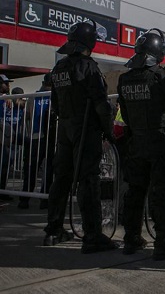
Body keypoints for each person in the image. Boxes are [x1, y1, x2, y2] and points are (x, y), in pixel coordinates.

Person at [117, 28, 165, 260]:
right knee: (163, 193)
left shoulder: (124, 79)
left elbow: (126, 115)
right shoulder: (164, 78)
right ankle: (164, 242)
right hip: (160, 142)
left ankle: (131, 238)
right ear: (158, 53)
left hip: (136, 142)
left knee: (135, 191)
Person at [44, 20, 118, 253]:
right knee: (88, 180)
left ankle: (54, 228)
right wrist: (108, 131)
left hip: (65, 127)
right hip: (85, 128)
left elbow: (54, 103)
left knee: (62, 178)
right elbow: (101, 105)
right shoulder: (89, 67)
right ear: (91, 42)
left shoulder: (59, 68)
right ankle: (92, 235)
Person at [18, 74, 55, 210]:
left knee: (31, 169)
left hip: (35, 136)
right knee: (48, 170)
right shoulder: (56, 96)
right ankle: (44, 199)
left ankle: (25, 199)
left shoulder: (34, 97)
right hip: (49, 137)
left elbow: (26, 116)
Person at [0, 74, 13, 201]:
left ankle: (2, 190)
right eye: (6, 83)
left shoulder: (7, 98)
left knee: (6, 165)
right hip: (1, 136)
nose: (8, 86)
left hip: (6, 137)